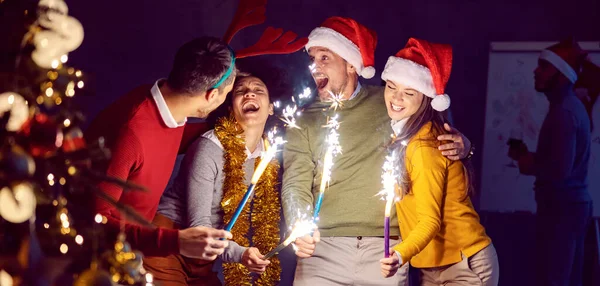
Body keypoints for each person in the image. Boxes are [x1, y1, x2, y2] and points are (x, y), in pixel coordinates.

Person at [282, 17, 473, 286]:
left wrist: (465, 147)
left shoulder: (390, 101)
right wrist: (299, 226)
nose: (315, 65)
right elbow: (295, 184)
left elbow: (433, 133)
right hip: (322, 249)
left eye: (325, 57)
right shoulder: (302, 120)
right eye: (312, 57)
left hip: (386, 249)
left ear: (351, 64)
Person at [85, 37, 236, 264]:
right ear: (211, 95)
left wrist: (234, 128)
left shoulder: (167, 101)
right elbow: (95, 221)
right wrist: (176, 242)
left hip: (131, 250)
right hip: (100, 260)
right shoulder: (131, 134)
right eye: (226, 95)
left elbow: (162, 142)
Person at [377, 38, 499, 285]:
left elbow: (430, 220)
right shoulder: (404, 135)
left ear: (426, 98)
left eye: (409, 92)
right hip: (432, 265)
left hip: (464, 261)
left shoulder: (423, 145)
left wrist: (399, 254)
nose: (396, 98)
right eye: (391, 86)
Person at [155, 71, 283, 285]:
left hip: (205, 258)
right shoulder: (210, 148)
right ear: (231, 107)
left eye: (258, 90)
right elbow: (199, 226)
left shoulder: (268, 157)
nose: (250, 94)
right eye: (241, 91)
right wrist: (241, 254)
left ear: (270, 107)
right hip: (170, 243)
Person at [508, 38, 592, 286]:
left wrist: (526, 162)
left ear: (562, 75)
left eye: (544, 67)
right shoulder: (567, 107)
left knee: (555, 278)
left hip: (562, 210)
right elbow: (560, 162)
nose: (536, 71)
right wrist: (530, 157)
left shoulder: (563, 112)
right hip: (568, 208)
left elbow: (559, 170)